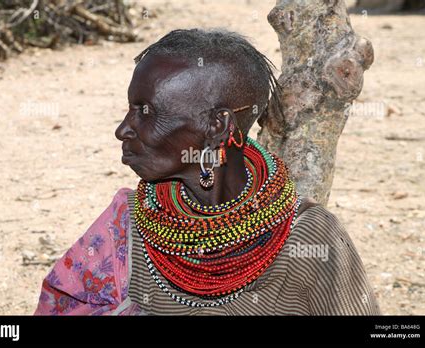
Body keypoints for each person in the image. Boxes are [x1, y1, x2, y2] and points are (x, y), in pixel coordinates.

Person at [34, 29, 380, 315]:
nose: (123, 129)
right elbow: (63, 304)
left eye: (146, 111)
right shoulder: (127, 224)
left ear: (217, 126)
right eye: (130, 109)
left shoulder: (308, 236)